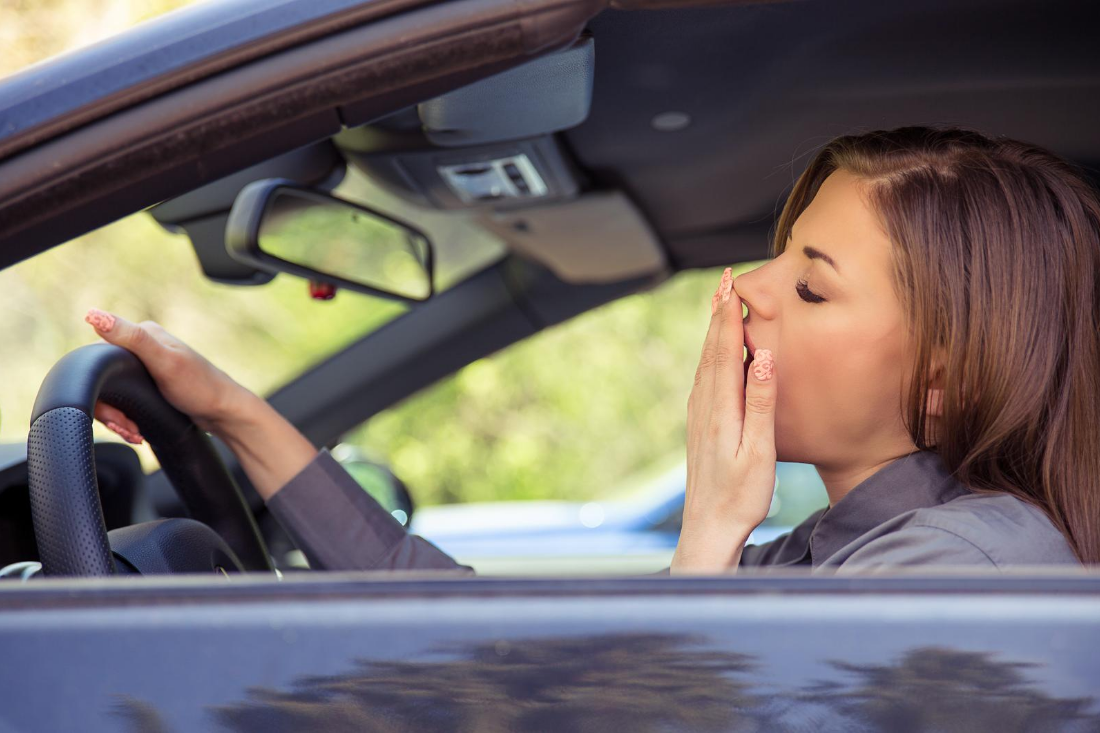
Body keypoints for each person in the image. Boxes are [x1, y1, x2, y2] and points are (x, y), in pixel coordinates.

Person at [83, 126, 1098, 574]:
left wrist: (707, 530)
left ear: (946, 373)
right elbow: (480, 640)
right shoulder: (840, 548)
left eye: (809, 283)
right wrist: (229, 409)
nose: (743, 289)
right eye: (773, 257)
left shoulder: (966, 564)